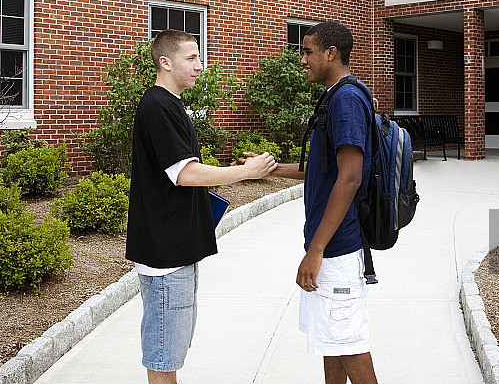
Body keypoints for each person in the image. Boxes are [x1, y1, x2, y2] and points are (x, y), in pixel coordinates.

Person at [125, 29, 278, 384]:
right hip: (166, 256)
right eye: (191, 58)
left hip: (177, 249)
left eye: (199, 57)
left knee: (171, 349)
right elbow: (185, 173)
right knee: (164, 353)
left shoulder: (171, 103)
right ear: (165, 62)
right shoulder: (158, 106)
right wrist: (244, 172)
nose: (199, 66)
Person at [262, 21, 379, 384]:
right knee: (333, 340)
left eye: (308, 51)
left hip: (338, 247)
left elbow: (350, 176)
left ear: (332, 53)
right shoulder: (338, 94)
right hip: (332, 245)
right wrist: (271, 168)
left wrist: (316, 250)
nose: (303, 60)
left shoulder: (345, 100)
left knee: (350, 342)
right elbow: (327, 169)